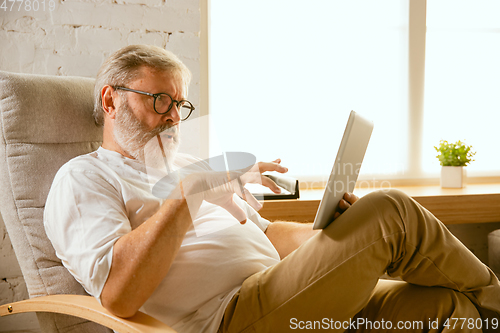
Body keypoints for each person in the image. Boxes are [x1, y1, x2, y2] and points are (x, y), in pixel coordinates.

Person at [44, 45, 500, 333]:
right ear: (110, 99)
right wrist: (189, 193)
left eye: (179, 105)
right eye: (159, 100)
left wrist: (333, 236)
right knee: (391, 210)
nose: (171, 116)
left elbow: (266, 235)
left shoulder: (188, 165)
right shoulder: (83, 178)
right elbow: (118, 295)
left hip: (290, 295)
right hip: (231, 318)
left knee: (444, 306)